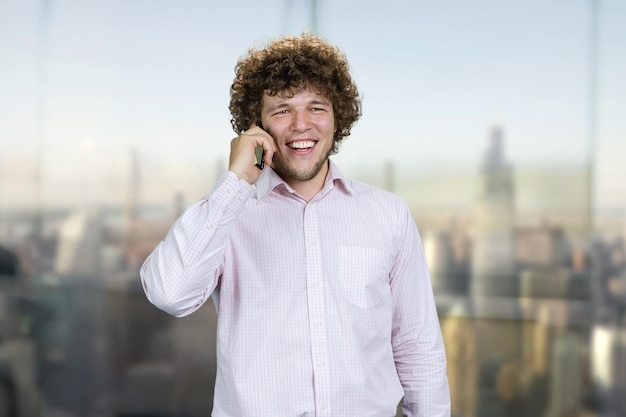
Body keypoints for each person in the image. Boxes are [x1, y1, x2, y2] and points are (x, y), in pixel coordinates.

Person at [140, 33, 450, 417]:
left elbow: (418, 346)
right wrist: (236, 180)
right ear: (257, 125)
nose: (301, 125)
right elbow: (170, 293)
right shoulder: (227, 215)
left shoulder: (388, 214)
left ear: (338, 118)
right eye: (282, 110)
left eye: (316, 107)